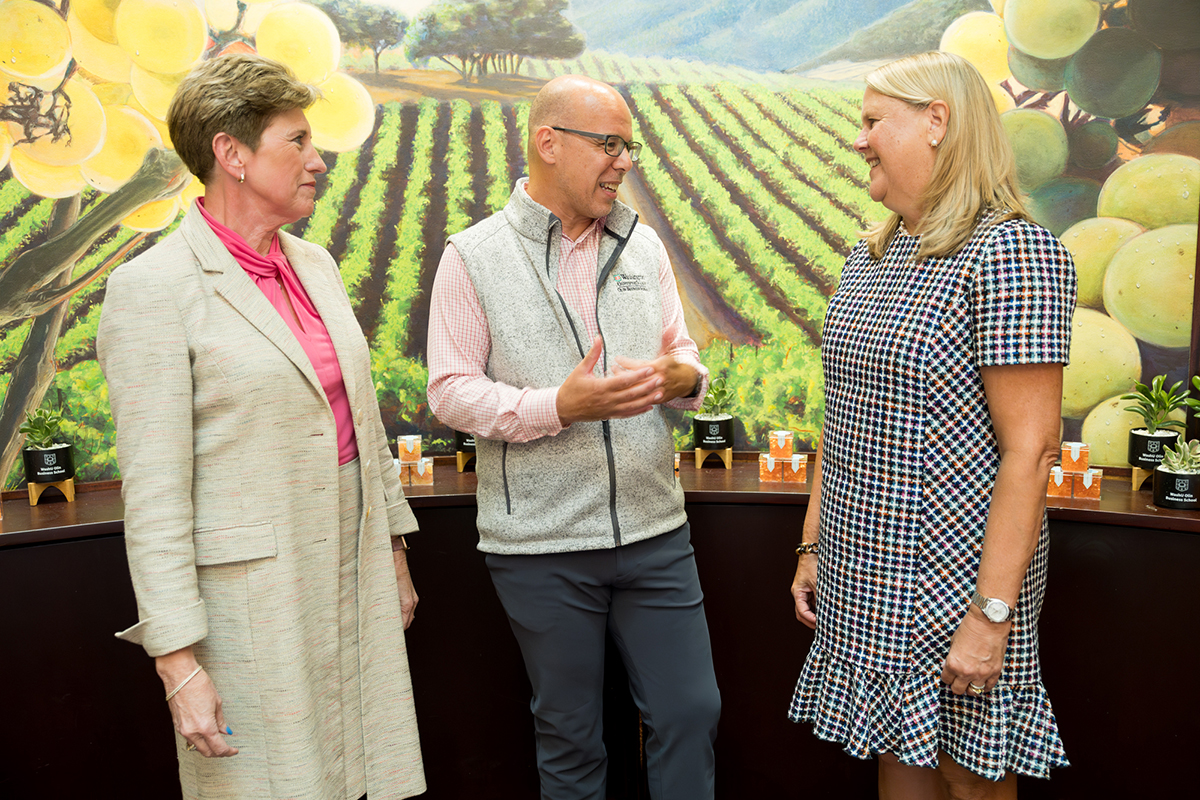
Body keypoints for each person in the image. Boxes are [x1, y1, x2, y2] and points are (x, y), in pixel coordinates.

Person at [96, 54, 424, 800]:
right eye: (297, 141)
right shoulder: (152, 290)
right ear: (231, 153)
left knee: (362, 775)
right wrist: (177, 663)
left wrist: (394, 553)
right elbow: (154, 497)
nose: (318, 161)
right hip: (253, 603)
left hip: (354, 570)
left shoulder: (317, 265)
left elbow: (359, 421)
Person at [789, 51, 1075, 799]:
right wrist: (814, 543)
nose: (859, 139)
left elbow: (1032, 450)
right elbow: (841, 419)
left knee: (969, 775)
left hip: (955, 580)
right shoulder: (873, 255)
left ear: (937, 122)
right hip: (865, 569)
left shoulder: (1011, 251)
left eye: (873, 121)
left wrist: (990, 616)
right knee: (899, 751)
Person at [426, 74, 720, 800]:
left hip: (656, 534)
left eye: (629, 146)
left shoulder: (644, 248)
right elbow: (450, 390)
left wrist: (685, 380)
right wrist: (557, 405)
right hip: (540, 549)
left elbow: (682, 352)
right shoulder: (472, 256)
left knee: (691, 712)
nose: (623, 162)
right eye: (609, 144)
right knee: (570, 737)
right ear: (547, 143)